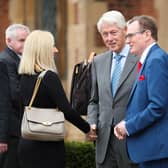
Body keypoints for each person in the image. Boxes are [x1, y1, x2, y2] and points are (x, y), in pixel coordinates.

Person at [18, 30, 95, 168]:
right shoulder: (49, 77)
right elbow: (66, 110)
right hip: (48, 143)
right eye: (52, 46)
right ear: (44, 50)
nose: (56, 50)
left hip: (27, 142)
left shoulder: (24, 76)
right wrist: (88, 129)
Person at [87, 10, 139, 168]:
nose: (109, 38)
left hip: (132, 140)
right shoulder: (98, 61)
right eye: (105, 34)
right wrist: (92, 123)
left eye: (113, 33)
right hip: (104, 143)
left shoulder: (141, 59)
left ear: (125, 31)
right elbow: (93, 100)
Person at [114, 15, 168, 168]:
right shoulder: (151, 59)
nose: (127, 40)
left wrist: (129, 126)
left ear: (147, 34)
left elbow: (158, 106)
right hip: (151, 152)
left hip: (157, 153)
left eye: (131, 35)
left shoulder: (156, 60)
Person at [0, 24, 30, 168]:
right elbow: (14, 94)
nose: (25, 44)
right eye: (21, 40)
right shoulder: (5, 61)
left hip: (19, 128)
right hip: (12, 130)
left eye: (27, 40)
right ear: (8, 41)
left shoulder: (19, 58)